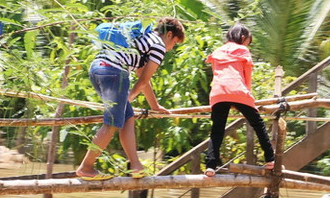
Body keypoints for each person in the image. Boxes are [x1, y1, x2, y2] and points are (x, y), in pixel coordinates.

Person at [75, 17, 185, 180]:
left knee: (128, 117)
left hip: (97, 69)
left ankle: (136, 166)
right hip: (114, 72)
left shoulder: (143, 37)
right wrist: (130, 97)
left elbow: (141, 75)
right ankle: (86, 167)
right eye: (175, 43)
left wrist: (154, 106)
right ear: (169, 35)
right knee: (112, 122)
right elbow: (144, 80)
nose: (171, 48)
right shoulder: (159, 45)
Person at [204, 23, 275, 176]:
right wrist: (246, 95)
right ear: (243, 38)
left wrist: (227, 99)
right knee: (258, 124)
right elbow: (247, 74)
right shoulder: (243, 50)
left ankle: (210, 166)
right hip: (238, 90)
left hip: (218, 92)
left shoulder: (218, 51)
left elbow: (216, 73)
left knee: (216, 130)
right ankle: (270, 159)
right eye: (248, 41)